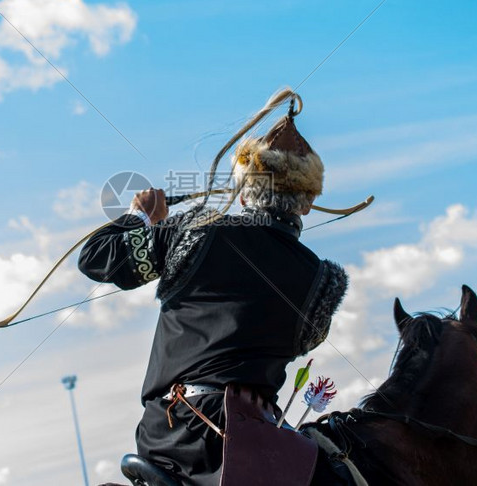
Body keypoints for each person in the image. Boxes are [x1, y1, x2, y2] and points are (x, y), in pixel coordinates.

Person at [78, 90, 348, 486]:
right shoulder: (324, 282)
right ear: (306, 204)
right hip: (259, 446)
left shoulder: (194, 231)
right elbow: (302, 341)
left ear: (241, 193)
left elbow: (96, 257)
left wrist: (141, 217)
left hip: (175, 435)